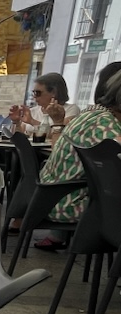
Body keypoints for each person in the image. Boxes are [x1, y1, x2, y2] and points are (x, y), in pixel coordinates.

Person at [29, 62, 121, 251]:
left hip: (48, 198)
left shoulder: (89, 115)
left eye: (37, 93)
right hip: (69, 204)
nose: (34, 97)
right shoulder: (108, 127)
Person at [9, 72, 79, 141]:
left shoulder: (70, 110)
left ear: (54, 93)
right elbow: (20, 138)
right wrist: (16, 122)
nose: (34, 96)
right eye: (33, 92)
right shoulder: (32, 111)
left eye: (37, 93)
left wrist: (32, 121)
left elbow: (62, 134)